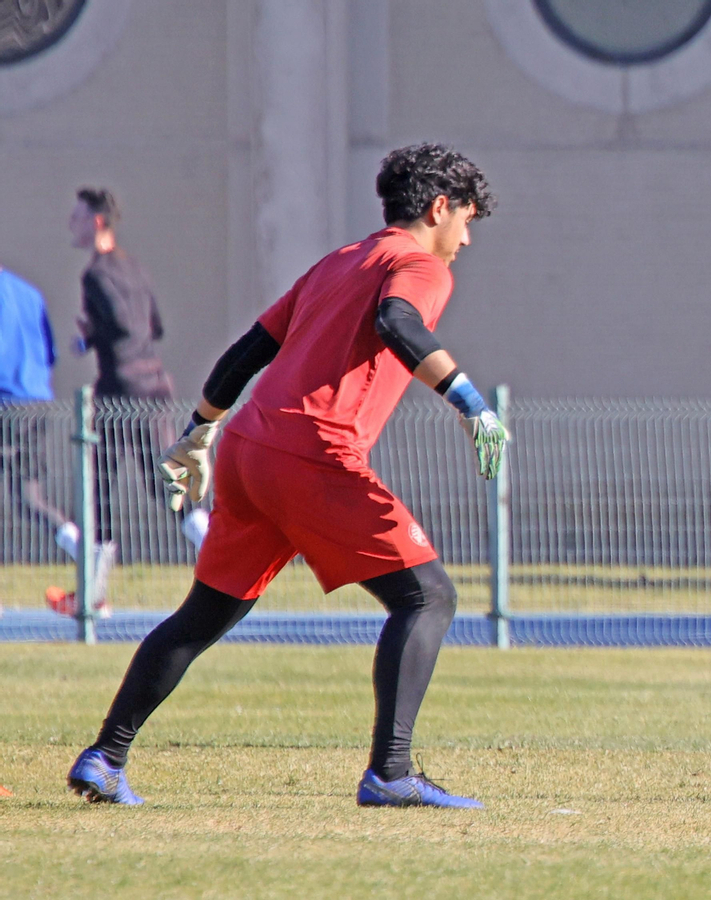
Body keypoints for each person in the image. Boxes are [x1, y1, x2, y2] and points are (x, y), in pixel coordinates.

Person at [66, 143, 509, 808]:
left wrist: (198, 430)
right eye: (466, 221)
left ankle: (105, 756)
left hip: (249, 449)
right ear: (439, 207)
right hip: (312, 454)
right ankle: (391, 773)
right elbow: (396, 320)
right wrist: (471, 403)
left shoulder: (340, 261)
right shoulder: (419, 264)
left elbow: (249, 351)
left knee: (203, 615)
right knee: (429, 598)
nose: (466, 240)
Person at [67, 188, 207, 596]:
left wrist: (91, 334)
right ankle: (216, 551)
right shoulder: (136, 269)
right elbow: (154, 327)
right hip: (156, 385)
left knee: (100, 487)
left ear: (97, 222)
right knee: (163, 479)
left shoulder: (95, 275)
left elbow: (124, 325)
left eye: (77, 217)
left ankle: (92, 595)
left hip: (121, 391)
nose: (71, 224)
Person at [0, 264, 75, 549]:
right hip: (37, 403)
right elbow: (50, 353)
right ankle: (82, 549)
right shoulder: (30, 293)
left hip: (6, 402)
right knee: (29, 496)